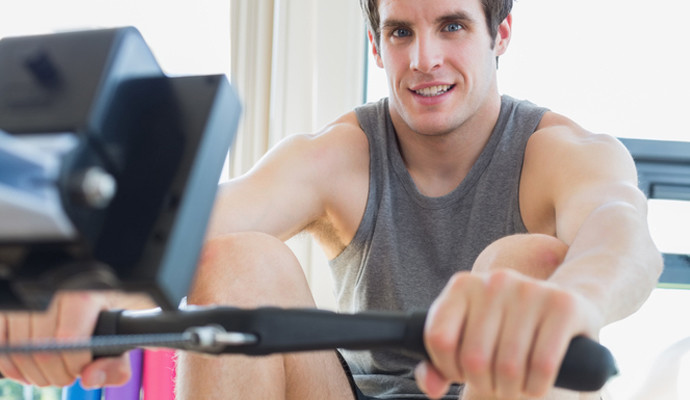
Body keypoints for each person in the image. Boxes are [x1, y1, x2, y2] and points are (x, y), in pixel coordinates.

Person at [0, 0, 663, 399]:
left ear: (502, 34)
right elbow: (183, 238)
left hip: (494, 387)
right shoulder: (340, 155)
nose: (424, 58)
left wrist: (577, 298)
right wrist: (64, 297)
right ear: (376, 42)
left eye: (453, 25)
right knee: (235, 260)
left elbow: (619, 230)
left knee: (528, 262)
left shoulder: (558, 150)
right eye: (401, 31)